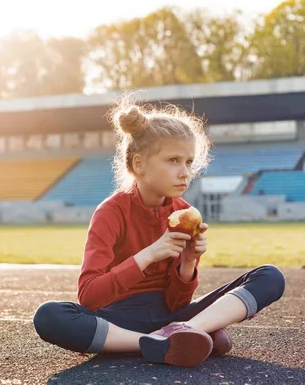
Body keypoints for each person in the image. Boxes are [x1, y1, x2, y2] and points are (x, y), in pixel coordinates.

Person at [33, 98, 286, 368]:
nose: (185, 173)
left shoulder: (186, 213)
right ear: (139, 164)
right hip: (118, 319)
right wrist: (149, 255)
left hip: (175, 317)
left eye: (189, 162)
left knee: (270, 276)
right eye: (173, 161)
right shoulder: (110, 212)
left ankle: (185, 331)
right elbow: (89, 296)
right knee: (49, 316)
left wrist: (188, 263)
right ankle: (155, 341)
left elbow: (176, 301)